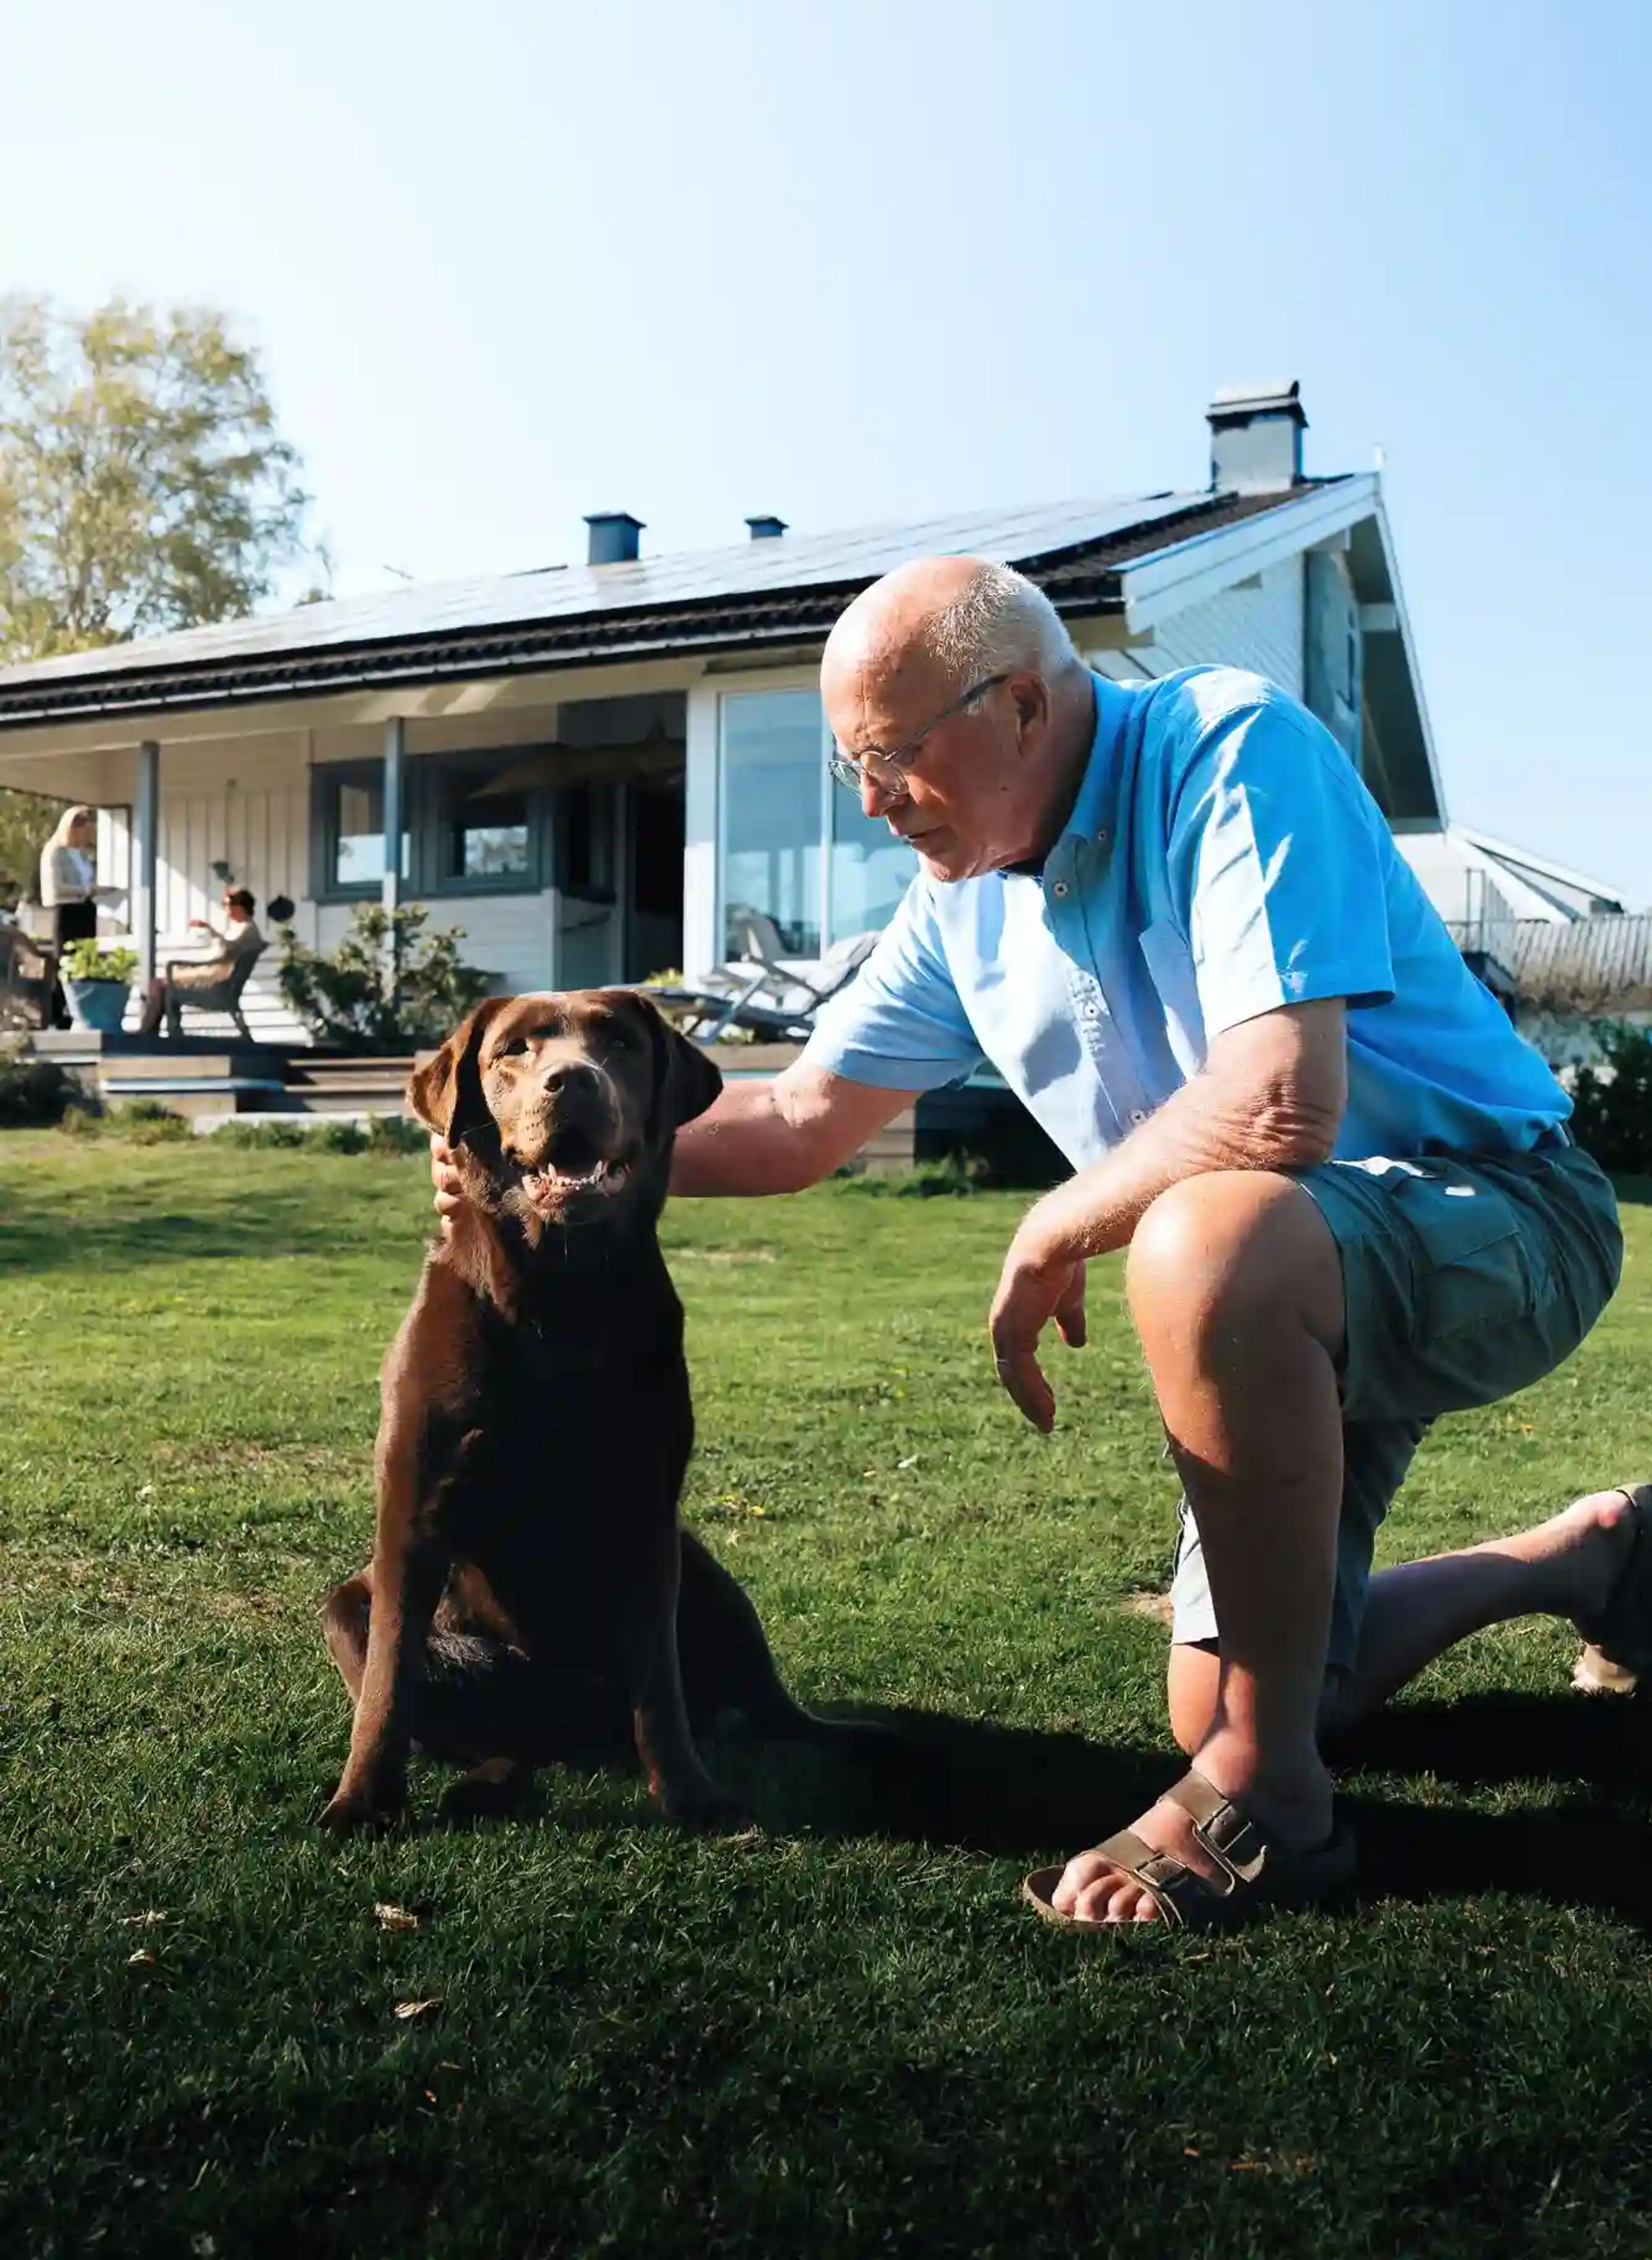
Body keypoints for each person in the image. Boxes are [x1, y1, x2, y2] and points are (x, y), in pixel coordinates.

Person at [433, 557, 1641, 1931]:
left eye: (889, 754)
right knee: (1224, 1690)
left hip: (1500, 1211)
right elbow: (798, 1120)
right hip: (1282, 1270)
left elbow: (1278, 1101)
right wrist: (529, 1161)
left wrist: (1059, 1216)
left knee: (1202, 1235)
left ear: (1017, 704)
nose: (873, 800)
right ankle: (1589, 1556)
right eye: (851, 767)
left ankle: (1273, 1808)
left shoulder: (1230, 748)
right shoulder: (963, 895)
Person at [135, 887, 266, 1037]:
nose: (226, 909)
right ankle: (152, 1032)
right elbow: (226, 950)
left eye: (227, 904)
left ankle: (151, 1033)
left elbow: (228, 949)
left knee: (161, 985)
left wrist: (211, 930)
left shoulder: (247, 929)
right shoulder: (241, 928)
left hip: (216, 983)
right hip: (217, 979)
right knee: (161, 985)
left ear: (239, 906)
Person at [38, 805, 99, 1025]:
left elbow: (85, 882)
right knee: (66, 962)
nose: (87, 836)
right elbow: (55, 888)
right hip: (67, 912)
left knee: (85, 964)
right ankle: (58, 1015)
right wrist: (85, 890)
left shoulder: (81, 854)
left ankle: (81, 1012)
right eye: (84, 830)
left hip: (85, 911)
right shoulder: (55, 851)